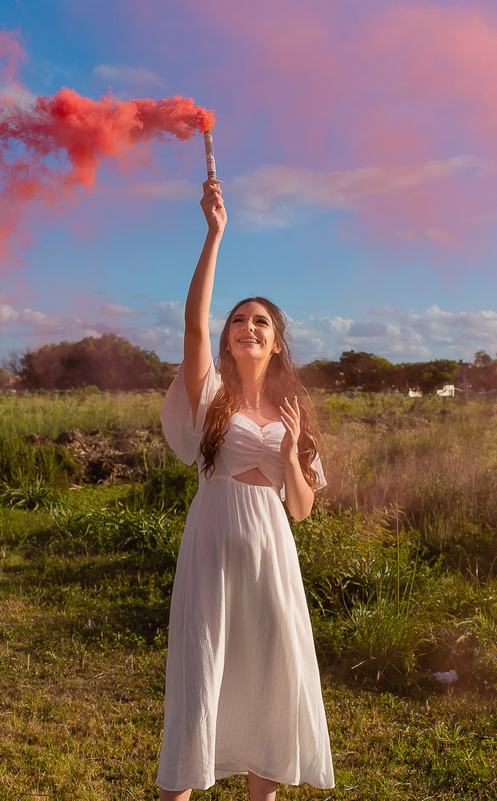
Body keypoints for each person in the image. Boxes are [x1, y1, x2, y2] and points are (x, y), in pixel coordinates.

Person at [156, 178, 335, 800]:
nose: (246, 327)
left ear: (275, 339)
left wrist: (290, 458)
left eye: (259, 321)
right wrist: (214, 233)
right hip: (213, 545)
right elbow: (193, 326)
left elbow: (303, 511)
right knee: (202, 677)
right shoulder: (211, 396)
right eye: (238, 320)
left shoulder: (294, 409)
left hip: (271, 551)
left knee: (270, 679)